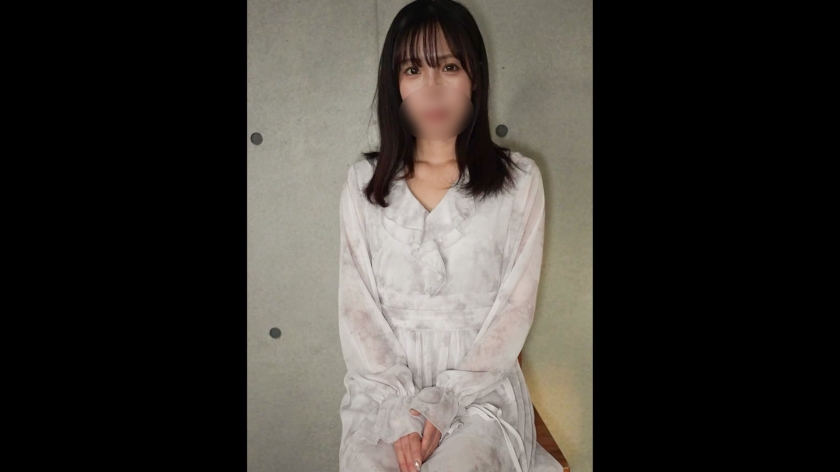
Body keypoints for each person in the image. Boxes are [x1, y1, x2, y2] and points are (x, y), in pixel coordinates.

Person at [337, 1, 560, 471]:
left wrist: (447, 401)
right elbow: (358, 313)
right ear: (395, 83)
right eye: (413, 69)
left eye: (449, 67)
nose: (432, 87)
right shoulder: (362, 184)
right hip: (383, 394)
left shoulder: (520, 181)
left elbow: (514, 309)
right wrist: (400, 409)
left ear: (474, 76)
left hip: (480, 392)